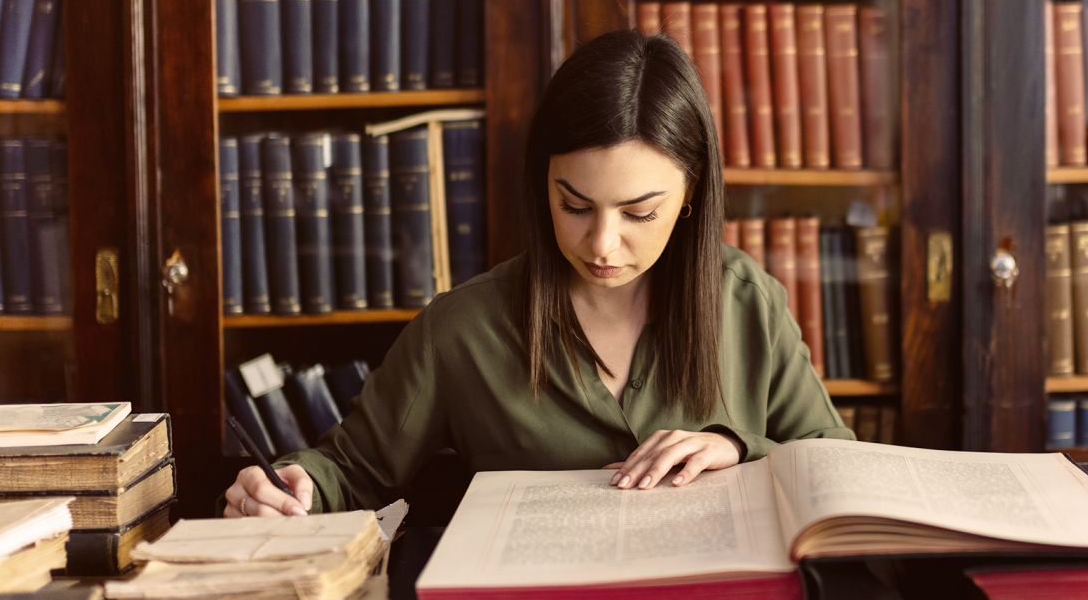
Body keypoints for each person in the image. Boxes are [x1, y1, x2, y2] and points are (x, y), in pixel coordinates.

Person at [224, 30, 852, 518]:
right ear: (541, 186)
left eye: (639, 213)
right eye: (574, 206)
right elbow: (348, 469)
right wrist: (287, 489)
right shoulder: (462, 329)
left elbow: (838, 466)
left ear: (690, 197)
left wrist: (738, 447)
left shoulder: (745, 299)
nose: (602, 244)